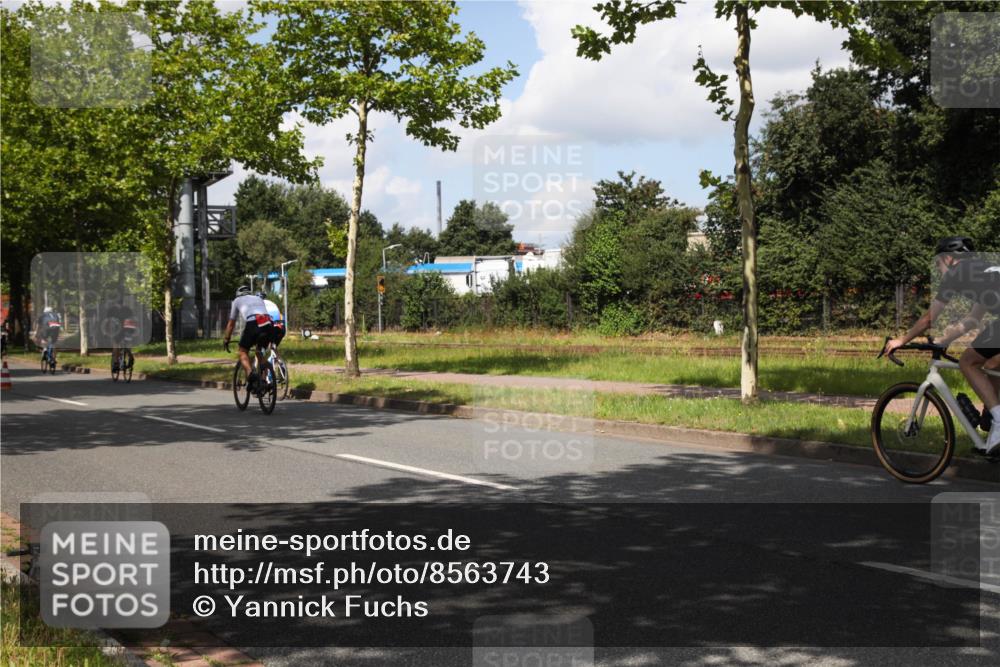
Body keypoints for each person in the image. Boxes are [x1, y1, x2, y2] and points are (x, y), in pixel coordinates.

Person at [885, 236, 1000, 455]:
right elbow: (973, 319)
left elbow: (930, 319)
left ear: (948, 259)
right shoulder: (984, 272)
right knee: (993, 366)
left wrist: (901, 340)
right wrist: (943, 341)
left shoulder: (957, 273)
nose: (938, 270)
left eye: (938, 264)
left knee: (968, 362)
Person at [222, 286, 273, 391]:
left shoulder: (236, 301)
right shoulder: (258, 298)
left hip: (253, 323)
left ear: (238, 294)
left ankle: (250, 375)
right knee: (259, 352)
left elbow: (231, 323)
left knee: (242, 351)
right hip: (267, 323)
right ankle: (264, 381)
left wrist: (226, 339)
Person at [107, 300, 139, 371]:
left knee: (116, 344)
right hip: (129, 328)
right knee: (128, 343)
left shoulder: (112, 310)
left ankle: (115, 363)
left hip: (118, 329)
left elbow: (109, 322)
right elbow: (133, 319)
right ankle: (129, 355)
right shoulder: (128, 309)